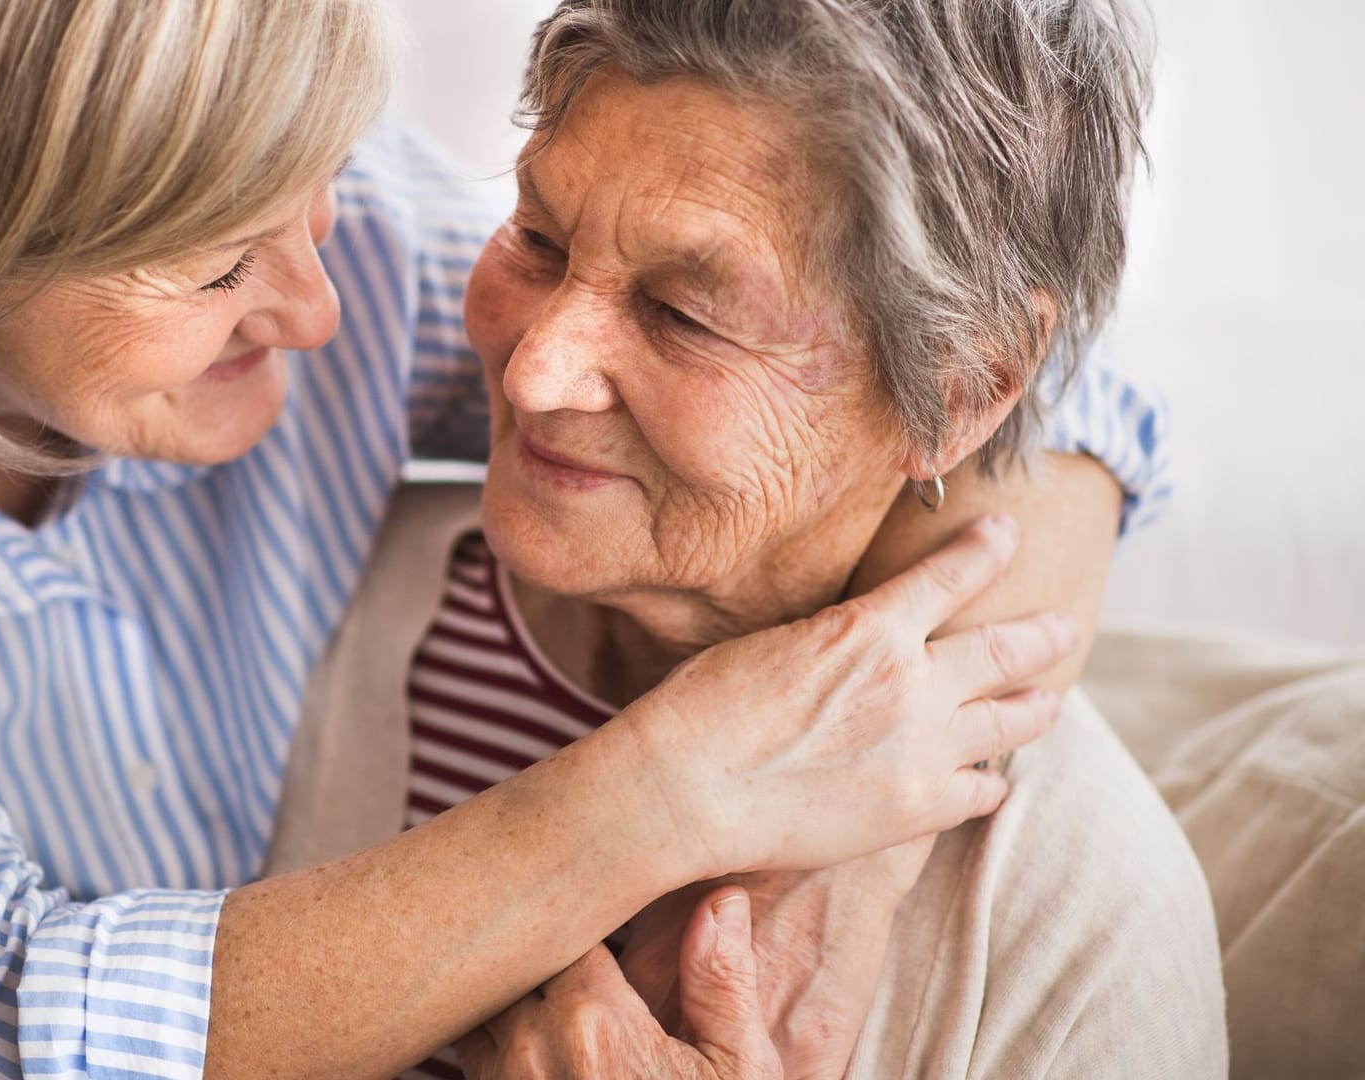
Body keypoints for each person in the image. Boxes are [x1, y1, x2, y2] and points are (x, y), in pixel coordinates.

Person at [0, 1, 1162, 1077]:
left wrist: (850, 831)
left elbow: (1017, 368)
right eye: (207, 267)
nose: (332, 301)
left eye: (315, 181)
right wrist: (681, 790)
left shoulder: (289, 212)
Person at [261, 1, 1223, 1076]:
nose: (537, 369)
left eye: (682, 315)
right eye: (538, 237)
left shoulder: (1079, 918)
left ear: (960, 391)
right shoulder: (304, 600)